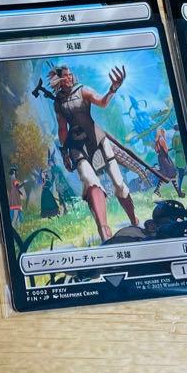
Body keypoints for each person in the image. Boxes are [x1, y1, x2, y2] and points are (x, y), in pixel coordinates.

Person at [49, 64, 141, 242]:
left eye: (70, 74)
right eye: (65, 76)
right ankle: (104, 232)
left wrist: (113, 89)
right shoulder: (58, 102)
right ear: (59, 79)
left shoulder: (83, 90)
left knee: (119, 183)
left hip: (97, 141)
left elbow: (102, 102)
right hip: (76, 146)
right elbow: (62, 129)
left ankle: (133, 220)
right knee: (90, 182)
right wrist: (64, 152)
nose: (69, 78)